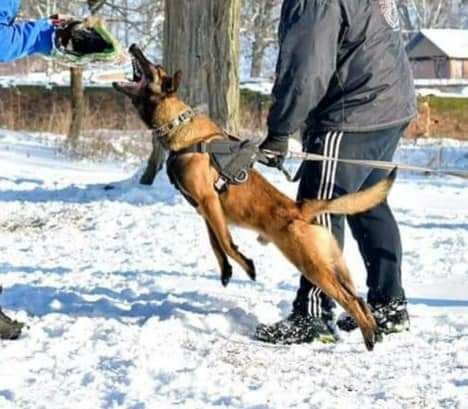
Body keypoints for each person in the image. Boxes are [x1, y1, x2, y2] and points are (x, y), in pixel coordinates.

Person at [256, 0, 416, 345]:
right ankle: (389, 305)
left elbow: (306, 68)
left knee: (318, 210)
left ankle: (314, 315)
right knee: (367, 204)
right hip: (388, 106)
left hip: (352, 114)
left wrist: (280, 129)